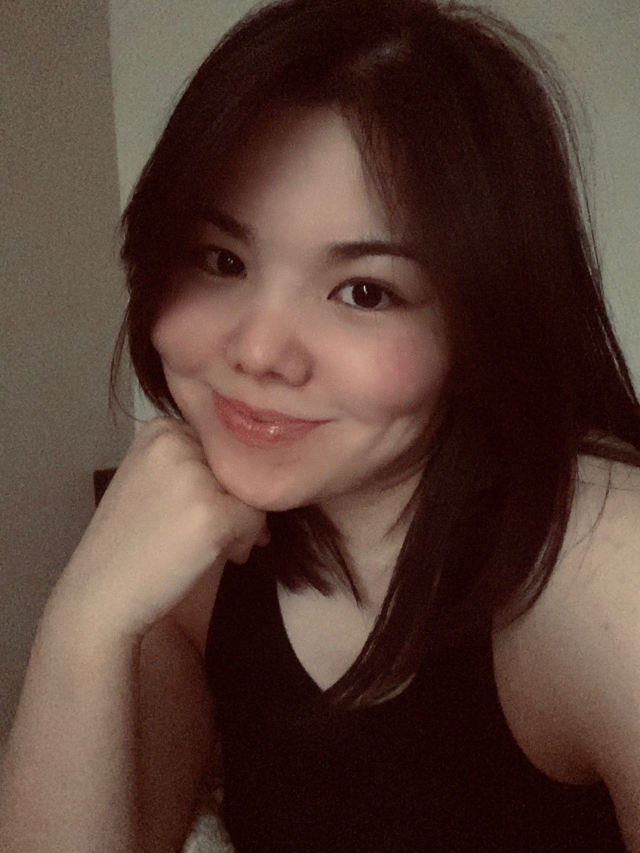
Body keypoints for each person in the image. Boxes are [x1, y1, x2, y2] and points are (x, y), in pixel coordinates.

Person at [1, 0, 640, 849]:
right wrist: (84, 619)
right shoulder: (190, 560)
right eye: (222, 260)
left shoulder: (604, 565)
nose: (260, 351)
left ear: (487, 321)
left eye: (365, 292)